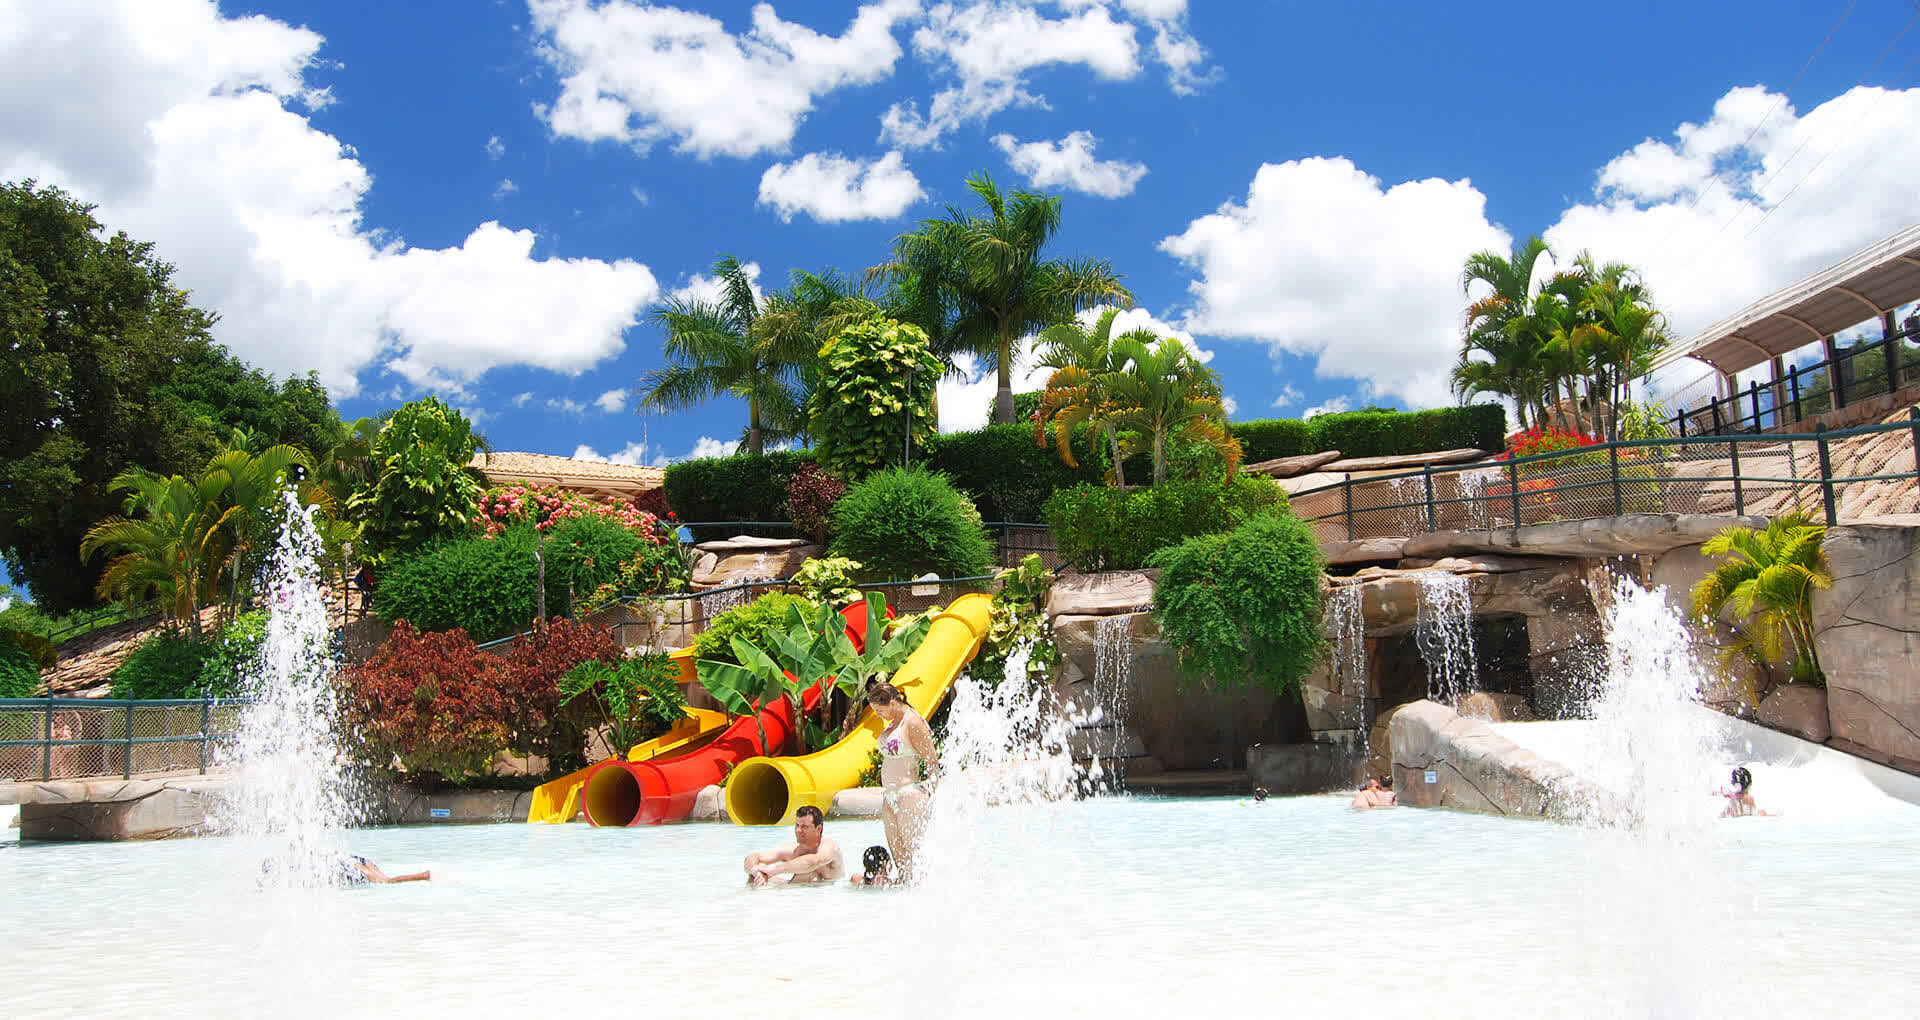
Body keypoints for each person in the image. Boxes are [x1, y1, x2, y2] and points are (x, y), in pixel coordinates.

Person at [870, 680, 938, 881]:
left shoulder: (913, 723)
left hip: (909, 793)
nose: (877, 714)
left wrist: (931, 793)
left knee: (917, 855)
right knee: (901, 860)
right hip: (889, 796)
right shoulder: (892, 724)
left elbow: (932, 763)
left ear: (892, 703)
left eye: (878, 709)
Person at [743, 805, 844, 886]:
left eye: (804, 827)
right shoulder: (791, 849)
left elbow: (814, 861)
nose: (798, 830)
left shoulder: (829, 846)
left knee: (809, 875)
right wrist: (757, 872)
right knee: (756, 873)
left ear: (818, 829)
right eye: (797, 825)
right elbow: (752, 857)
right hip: (794, 891)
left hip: (828, 894)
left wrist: (773, 870)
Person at [339, 854, 432, 885]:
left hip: (346, 864)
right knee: (385, 880)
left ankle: (423, 876)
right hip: (350, 859)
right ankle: (424, 875)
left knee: (386, 881)